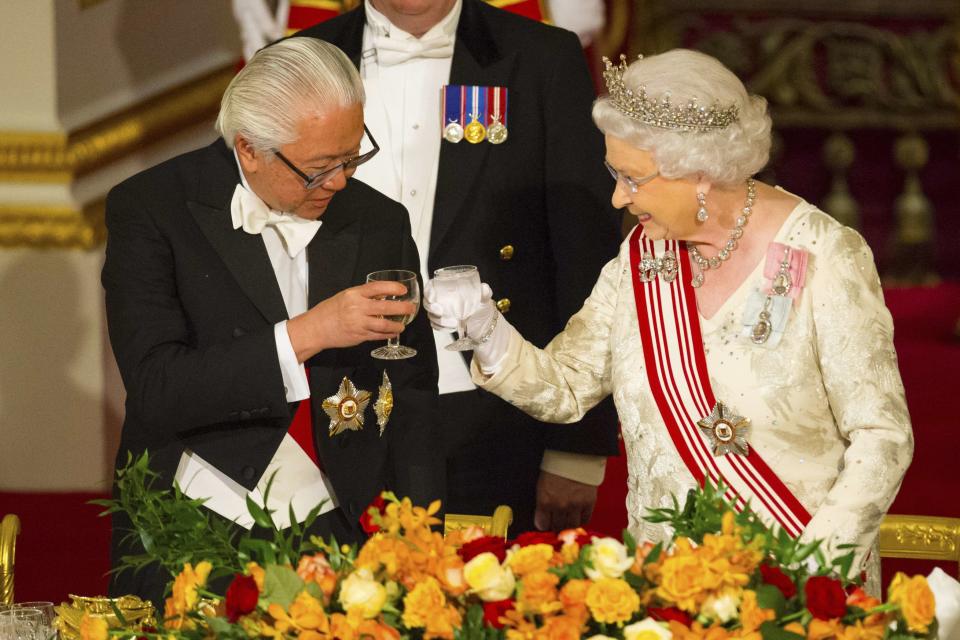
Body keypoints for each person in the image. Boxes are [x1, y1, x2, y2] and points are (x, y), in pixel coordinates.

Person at [425, 49, 913, 592]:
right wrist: (484, 328)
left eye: (632, 178)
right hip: (666, 589)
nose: (618, 196)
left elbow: (881, 437)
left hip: (797, 593)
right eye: (614, 173)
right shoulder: (640, 257)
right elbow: (565, 387)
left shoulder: (826, 255)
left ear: (699, 173)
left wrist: (808, 575)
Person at [102, 38, 441, 606]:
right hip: (196, 517)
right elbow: (159, 387)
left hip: (343, 518)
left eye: (352, 157)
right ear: (249, 148)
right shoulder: (151, 208)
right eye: (318, 168)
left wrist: (420, 536)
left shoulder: (379, 220)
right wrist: (310, 332)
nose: (339, 182)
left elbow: (412, 388)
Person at [296, 0, 622, 534]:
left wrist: (576, 447)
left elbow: (586, 254)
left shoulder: (541, 56)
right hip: (334, 398)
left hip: (497, 406)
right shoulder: (296, 60)